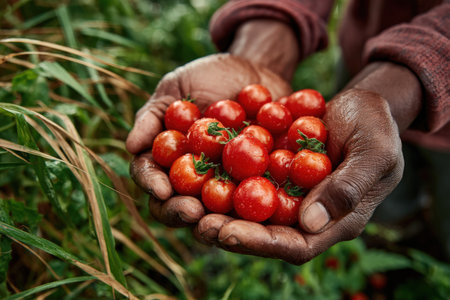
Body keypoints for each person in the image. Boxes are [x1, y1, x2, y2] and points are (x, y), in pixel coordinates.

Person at [125, 0, 450, 264]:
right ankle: (393, 239)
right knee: (368, 173)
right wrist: (271, 21)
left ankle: (427, 251)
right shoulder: (240, 145)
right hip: (366, 59)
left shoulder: (257, 153)